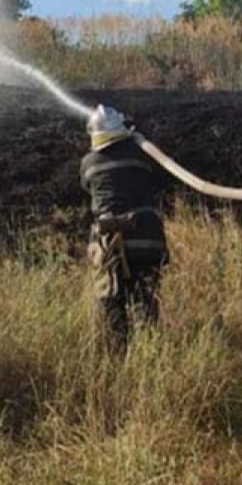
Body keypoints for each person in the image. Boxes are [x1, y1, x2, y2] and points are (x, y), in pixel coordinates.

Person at [80, 105, 169, 352]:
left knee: (112, 303)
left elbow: (88, 187)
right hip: (147, 239)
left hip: (108, 243)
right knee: (145, 300)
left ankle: (118, 356)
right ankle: (149, 354)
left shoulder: (88, 162)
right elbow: (161, 180)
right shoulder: (142, 154)